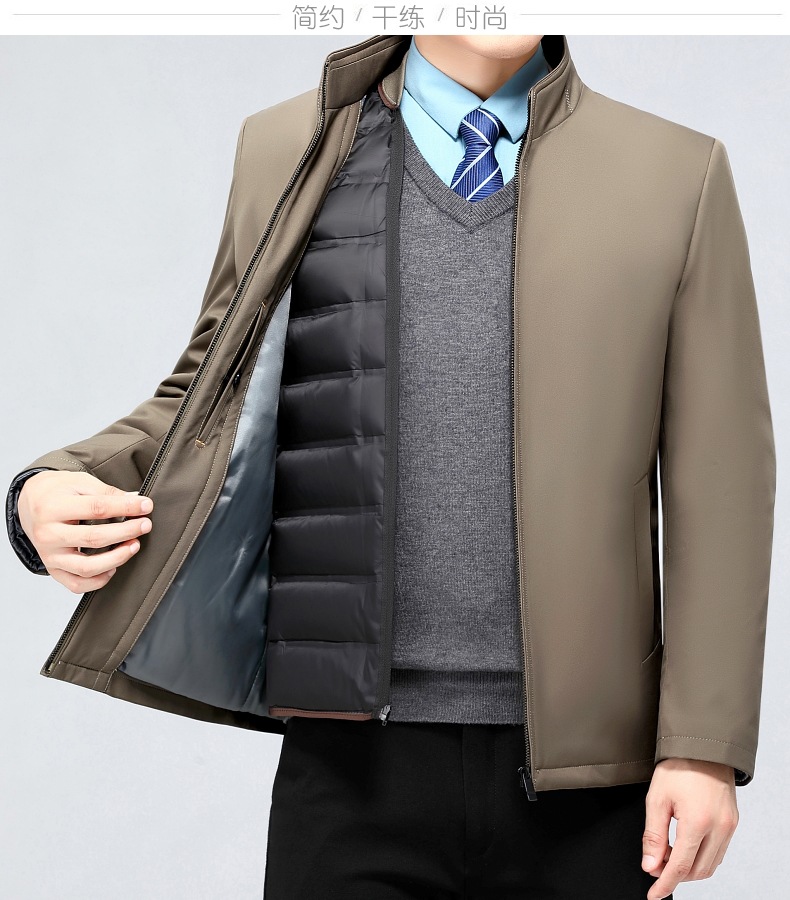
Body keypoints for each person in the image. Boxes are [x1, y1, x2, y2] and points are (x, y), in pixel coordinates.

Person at [5, 34, 775, 900]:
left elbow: (724, 482)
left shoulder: (675, 173)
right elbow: (210, 392)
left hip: (593, 777)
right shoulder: (289, 143)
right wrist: (48, 485)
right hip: (349, 761)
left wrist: (703, 745)